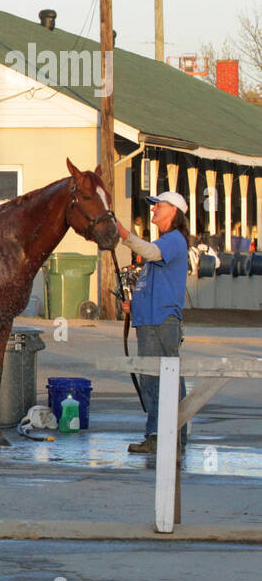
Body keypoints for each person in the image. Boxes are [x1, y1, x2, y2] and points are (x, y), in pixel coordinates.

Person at [116, 191, 190, 454]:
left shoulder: (173, 241)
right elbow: (154, 284)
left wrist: (124, 234)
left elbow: (149, 251)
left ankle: (168, 437)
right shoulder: (166, 242)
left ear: (174, 211)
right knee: (152, 379)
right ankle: (159, 435)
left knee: (163, 379)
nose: (154, 209)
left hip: (162, 320)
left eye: (159, 205)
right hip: (149, 320)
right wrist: (133, 305)